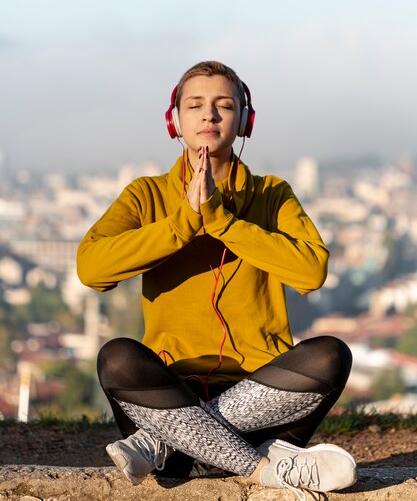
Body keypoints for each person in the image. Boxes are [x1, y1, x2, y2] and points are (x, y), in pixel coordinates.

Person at [77, 60, 356, 497]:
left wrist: (222, 222)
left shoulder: (272, 194)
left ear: (245, 121)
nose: (209, 115)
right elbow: (91, 269)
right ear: (176, 120)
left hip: (262, 395)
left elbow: (311, 271)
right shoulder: (146, 194)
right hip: (171, 394)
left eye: (224, 105)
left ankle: (163, 444)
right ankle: (263, 468)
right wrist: (184, 222)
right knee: (117, 358)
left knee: (330, 355)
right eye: (196, 105)